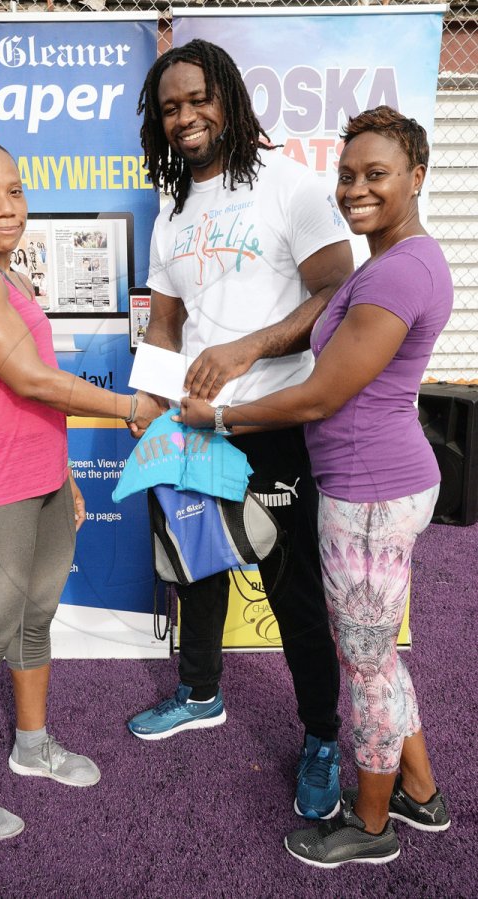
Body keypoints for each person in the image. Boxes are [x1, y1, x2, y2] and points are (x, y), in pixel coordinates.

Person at [177, 106, 453, 867]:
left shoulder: (402, 269)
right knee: (376, 657)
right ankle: (419, 793)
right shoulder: (385, 261)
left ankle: (368, 826)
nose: (355, 188)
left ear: (417, 177)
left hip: (370, 492)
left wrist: (222, 417)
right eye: (348, 174)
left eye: (376, 174)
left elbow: (322, 394)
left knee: (366, 667)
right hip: (370, 483)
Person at [126, 39, 354, 821]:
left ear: (229, 98)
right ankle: (199, 693)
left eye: (199, 99)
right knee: (196, 568)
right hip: (190, 429)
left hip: (270, 421)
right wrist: (145, 406)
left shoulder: (289, 185)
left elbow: (338, 290)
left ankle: (322, 737)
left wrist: (249, 347)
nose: (186, 116)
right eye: (170, 107)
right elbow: (164, 324)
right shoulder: (173, 207)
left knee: (291, 590)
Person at [0, 118, 156, 842]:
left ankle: (30, 745)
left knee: (34, 618)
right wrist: (131, 407)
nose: (6, 206)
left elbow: (31, 395)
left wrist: (64, 475)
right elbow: (28, 376)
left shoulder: (11, 272)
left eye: (15, 191)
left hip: (43, 478)